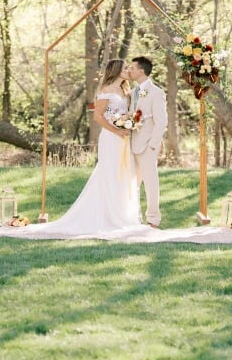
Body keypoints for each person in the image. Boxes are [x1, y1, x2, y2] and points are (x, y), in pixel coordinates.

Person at [15, 58, 146, 237]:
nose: (128, 70)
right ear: (115, 70)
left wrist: (128, 124)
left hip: (124, 137)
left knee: (125, 173)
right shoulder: (105, 91)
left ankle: (123, 213)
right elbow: (98, 117)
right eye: (124, 68)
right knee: (110, 172)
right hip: (111, 137)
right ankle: (106, 215)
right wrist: (116, 130)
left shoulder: (126, 91)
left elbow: (129, 112)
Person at [127, 55, 168, 228]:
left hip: (147, 146)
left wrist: (153, 145)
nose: (129, 70)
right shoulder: (132, 92)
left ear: (141, 71)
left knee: (151, 184)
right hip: (131, 144)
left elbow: (161, 121)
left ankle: (153, 219)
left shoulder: (156, 92)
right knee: (131, 184)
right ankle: (133, 217)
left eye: (132, 68)